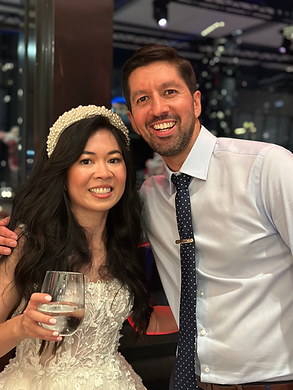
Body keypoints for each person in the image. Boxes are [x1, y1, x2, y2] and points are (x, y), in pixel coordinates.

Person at [1, 44, 293, 388]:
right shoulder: (149, 201)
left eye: (170, 92)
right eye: (142, 99)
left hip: (273, 380)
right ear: (136, 121)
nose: (158, 108)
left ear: (196, 101)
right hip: (190, 379)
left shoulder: (267, 168)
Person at [0, 104, 177, 390]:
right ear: (63, 170)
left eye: (114, 160)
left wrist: (205, 316)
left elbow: (141, 319)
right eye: (86, 161)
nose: (103, 172)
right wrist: (21, 326)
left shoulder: (124, 242)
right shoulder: (29, 243)